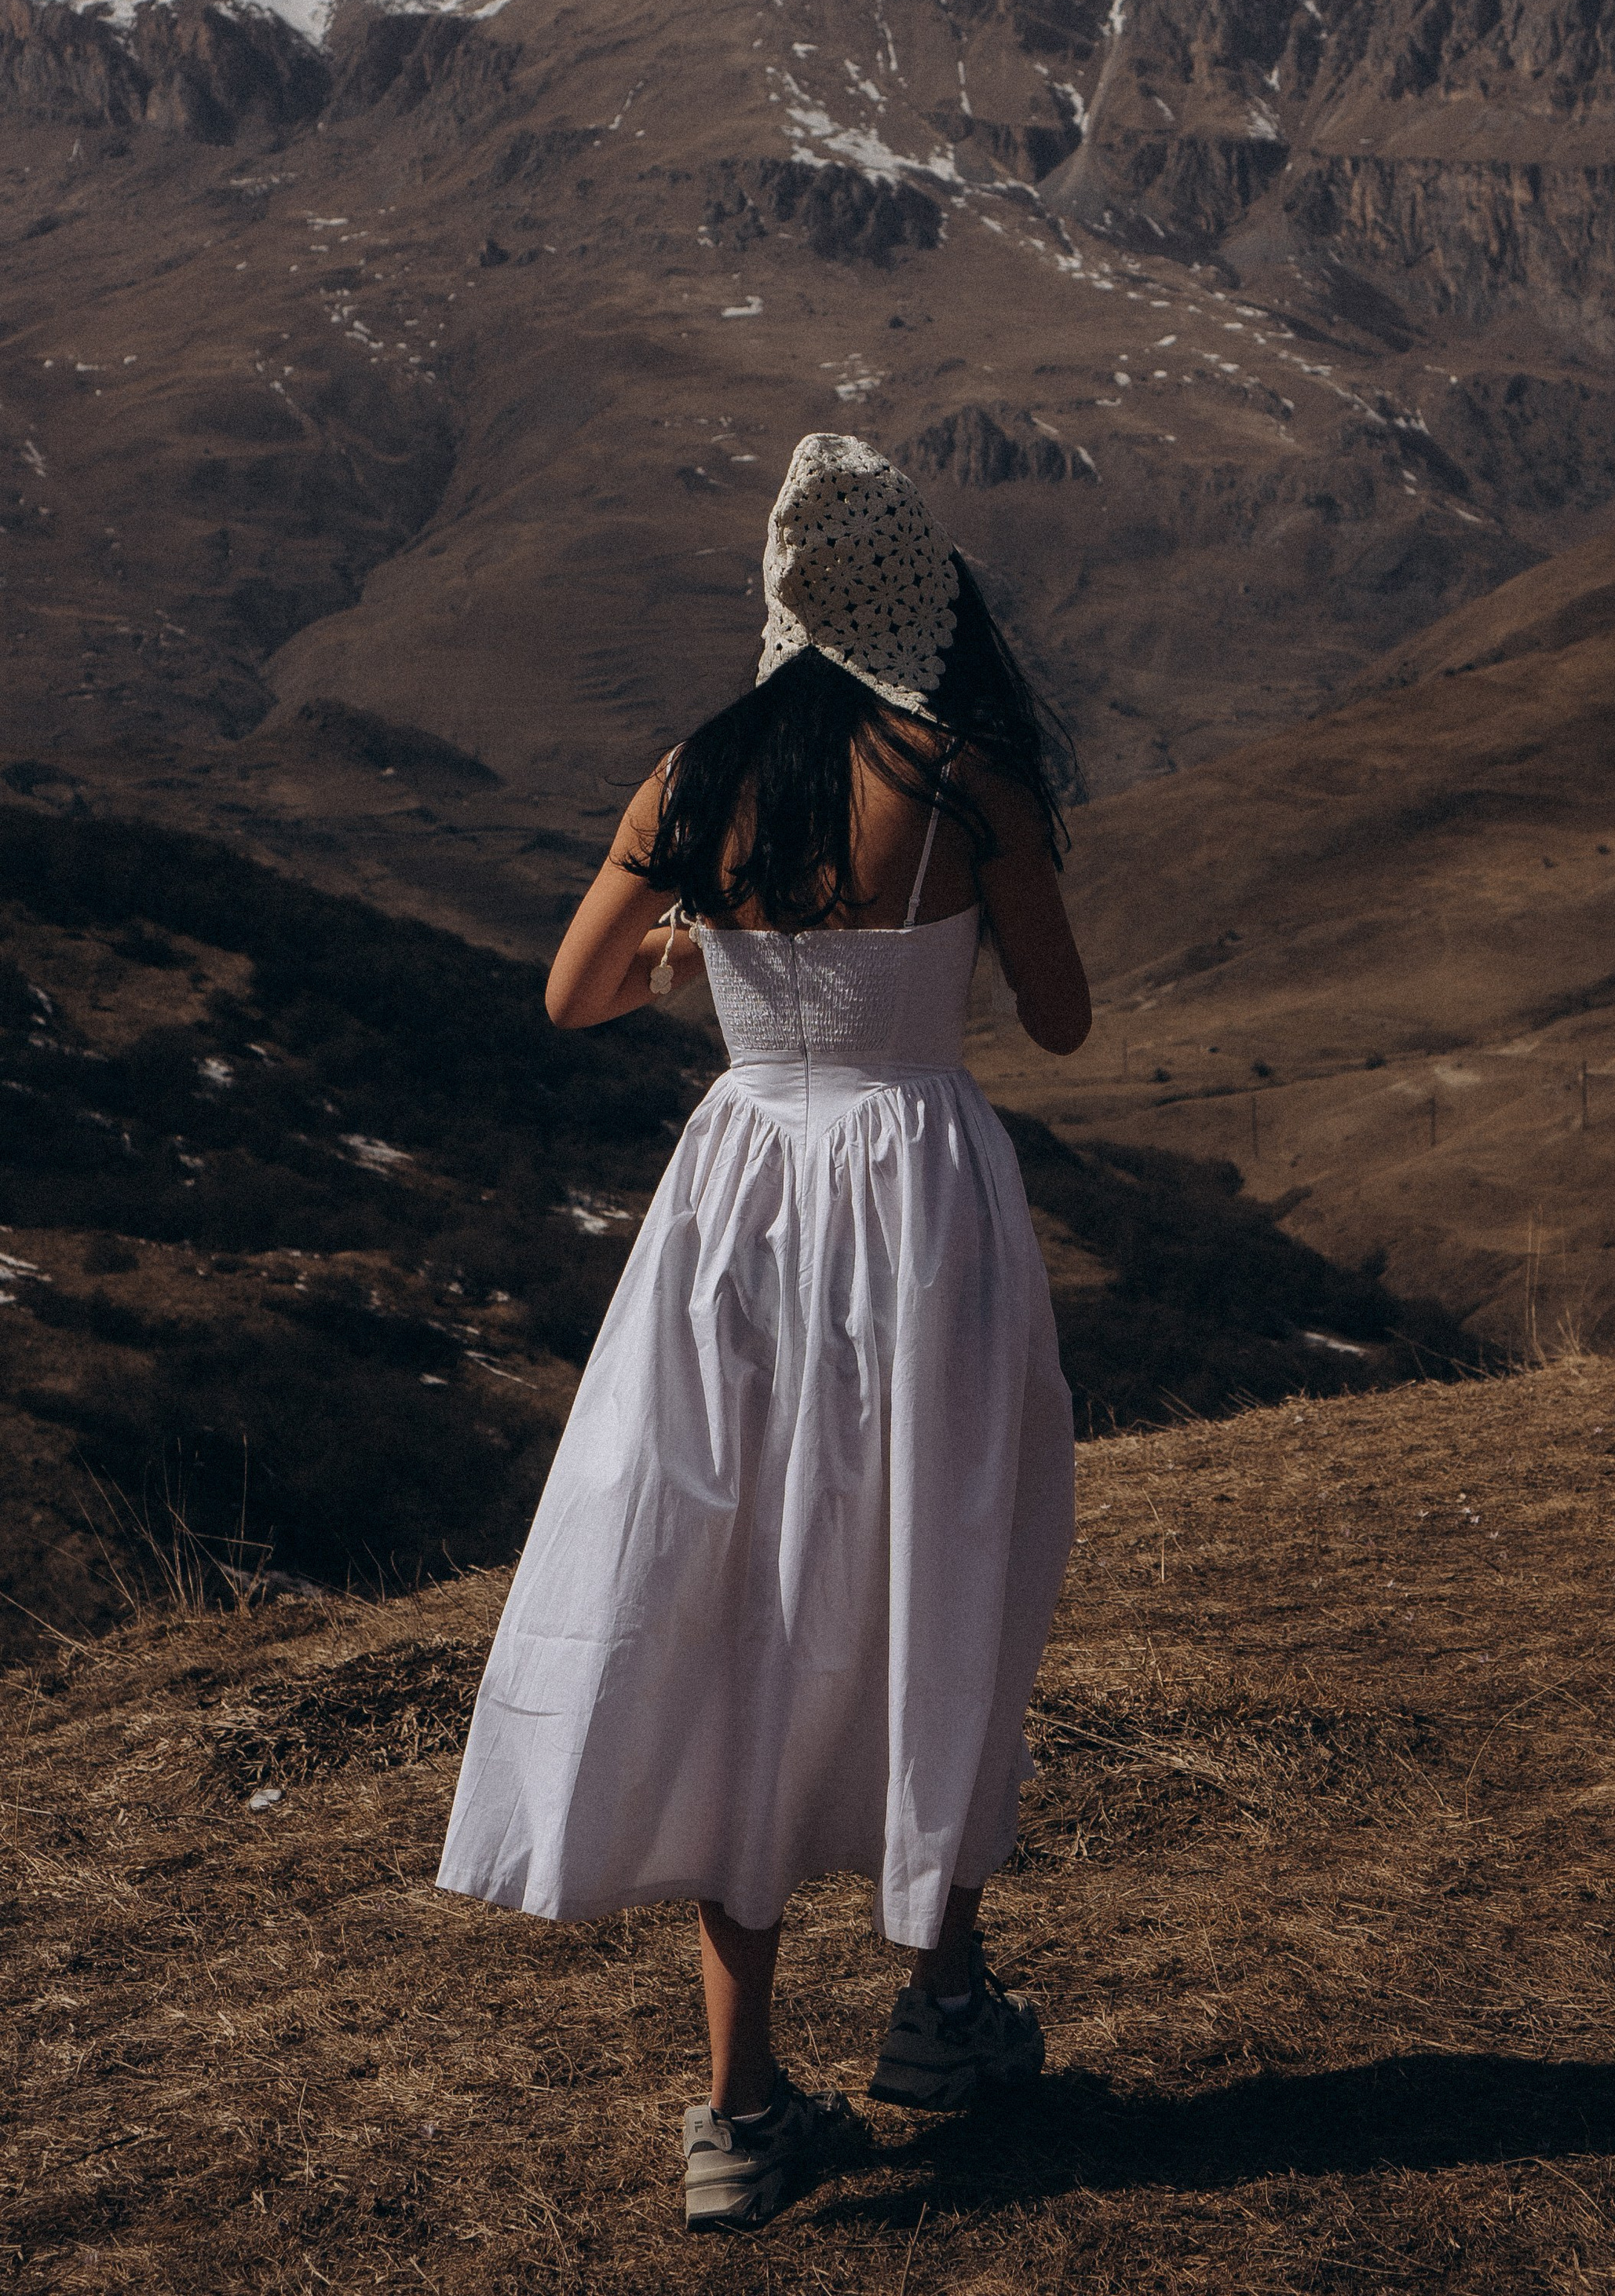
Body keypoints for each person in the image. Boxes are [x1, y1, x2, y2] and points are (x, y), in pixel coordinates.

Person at [437, 433, 1091, 2232]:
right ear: (919, 593)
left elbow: (572, 995)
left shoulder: (696, 774)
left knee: (743, 1604)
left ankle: (738, 2107)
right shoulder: (963, 782)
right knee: (928, 1576)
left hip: (738, 1208)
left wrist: (692, 964)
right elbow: (1060, 1022)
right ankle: (944, 2006)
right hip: (919, 1205)